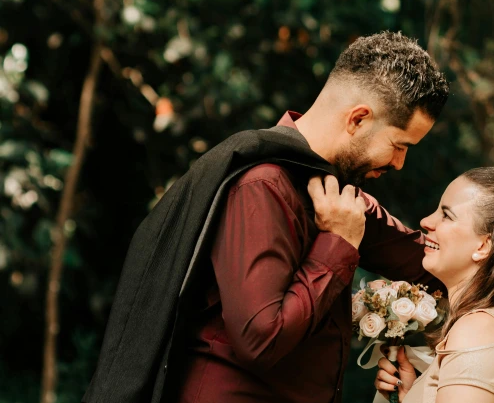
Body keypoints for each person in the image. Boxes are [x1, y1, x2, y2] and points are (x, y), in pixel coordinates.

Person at [83, 31, 449, 403]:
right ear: (357, 119)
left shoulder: (342, 199)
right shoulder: (261, 186)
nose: (399, 164)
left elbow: (434, 264)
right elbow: (261, 340)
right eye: (399, 145)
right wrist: (337, 245)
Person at [371, 167, 494, 403]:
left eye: (447, 215)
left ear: (483, 246)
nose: (426, 222)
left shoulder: (479, 332)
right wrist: (412, 394)